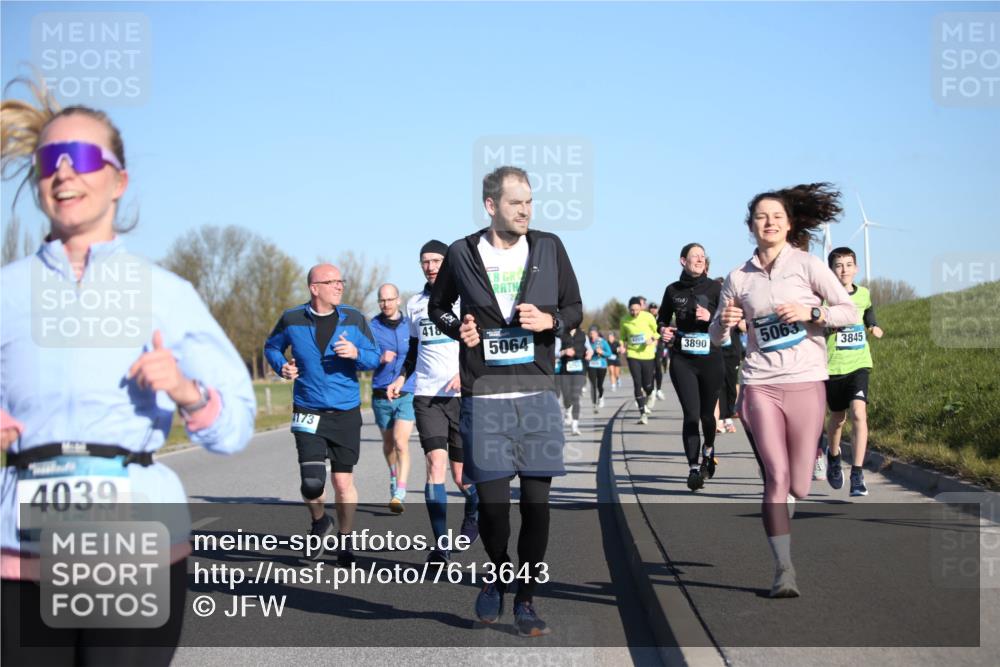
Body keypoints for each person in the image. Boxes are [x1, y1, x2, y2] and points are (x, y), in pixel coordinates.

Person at [0, 87, 256, 665]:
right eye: (48, 161)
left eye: (82, 158)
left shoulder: (166, 294)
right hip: (19, 551)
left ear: (118, 181)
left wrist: (187, 392)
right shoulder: (7, 291)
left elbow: (236, 426)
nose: (64, 173)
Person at [428, 165, 582, 637]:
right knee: (494, 510)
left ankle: (527, 599)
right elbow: (439, 307)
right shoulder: (461, 253)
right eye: (517, 202)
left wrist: (550, 322)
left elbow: (575, 308)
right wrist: (460, 327)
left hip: (536, 396)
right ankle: (497, 575)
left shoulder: (550, 247)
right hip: (485, 399)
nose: (526, 210)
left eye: (530, 202)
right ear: (491, 205)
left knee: (537, 506)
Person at [710, 183, 857, 598]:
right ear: (751, 226)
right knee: (775, 478)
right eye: (761, 217)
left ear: (789, 224)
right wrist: (725, 321)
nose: (769, 222)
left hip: (807, 380)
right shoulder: (738, 277)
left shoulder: (808, 265)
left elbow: (847, 311)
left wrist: (813, 312)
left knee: (799, 487)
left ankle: (809, 465)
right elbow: (716, 337)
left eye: (777, 216)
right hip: (759, 384)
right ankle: (784, 570)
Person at [264, 263, 380, 567]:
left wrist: (356, 354)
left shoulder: (353, 318)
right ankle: (319, 521)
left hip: (345, 412)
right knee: (312, 483)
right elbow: (272, 347)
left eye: (341, 281)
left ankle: (345, 540)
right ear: (315, 288)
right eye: (332, 282)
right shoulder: (292, 319)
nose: (339, 286)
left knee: (343, 483)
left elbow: (374, 356)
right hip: (307, 409)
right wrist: (282, 367)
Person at [386, 240, 479, 564]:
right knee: (434, 466)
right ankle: (441, 546)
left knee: (462, 476)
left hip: (460, 395)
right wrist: (401, 378)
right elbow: (413, 350)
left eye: (436, 260)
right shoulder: (414, 305)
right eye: (424, 261)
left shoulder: (466, 299)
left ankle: (474, 513)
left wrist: (462, 373)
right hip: (427, 396)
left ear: (448, 263)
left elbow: (478, 346)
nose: (430, 266)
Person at [657, 243, 725, 491]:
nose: (699, 259)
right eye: (694, 256)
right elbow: (662, 318)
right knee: (691, 415)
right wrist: (663, 330)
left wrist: (711, 317)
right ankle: (693, 469)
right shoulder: (672, 290)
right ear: (682, 261)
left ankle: (709, 448)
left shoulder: (717, 287)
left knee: (708, 416)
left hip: (711, 358)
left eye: (702, 256)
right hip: (682, 358)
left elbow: (729, 317)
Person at [822, 246, 884, 496]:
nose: (844, 269)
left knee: (859, 413)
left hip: (859, 363)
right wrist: (829, 328)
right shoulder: (824, 298)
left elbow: (868, 312)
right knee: (837, 419)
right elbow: (815, 325)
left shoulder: (864, 294)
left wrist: (873, 326)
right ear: (831, 270)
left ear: (856, 268)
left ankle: (857, 473)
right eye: (838, 265)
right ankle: (834, 456)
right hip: (833, 366)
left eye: (848, 264)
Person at [369, 283, 415, 513]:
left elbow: (419, 355)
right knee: (388, 444)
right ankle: (393, 475)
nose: (386, 304)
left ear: (398, 300)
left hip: (406, 391)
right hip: (380, 393)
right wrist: (379, 359)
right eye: (382, 300)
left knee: (400, 441)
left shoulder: (411, 325)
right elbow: (361, 358)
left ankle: (400, 491)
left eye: (390, 299)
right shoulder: (372, 327)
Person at [620, 296, 659, 424]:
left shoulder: (648, 317)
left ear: (641, 308)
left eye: (637, 310)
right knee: (637, 383)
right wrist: (621, 345)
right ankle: (642, 414)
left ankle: (650, 392)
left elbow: (658, 331)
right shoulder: (624, 320)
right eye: (632, 310)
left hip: (647, 355)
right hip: (633, 354)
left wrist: (652, 339)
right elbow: (622, 337)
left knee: (647, 385)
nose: (634, 313)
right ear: (628, 309)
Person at [557, 326, 588, 435]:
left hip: (579, 369)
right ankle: (568, 409)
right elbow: (555, 352)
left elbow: (589, 349)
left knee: (575, 396)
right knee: (566, 397)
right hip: (565, 370)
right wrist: (564, 352)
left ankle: (575, 426)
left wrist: (589, 353)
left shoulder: (583, 335)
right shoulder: (560, 334)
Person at [586, 326, 612, 412]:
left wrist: (602, 352)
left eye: (593, 333)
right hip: (591, 365)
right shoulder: (587, 342)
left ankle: (600, 396)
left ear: (597, 334)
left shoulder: (603, 342)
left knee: (599, 385)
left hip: (601, 365)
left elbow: (609, 353)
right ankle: (594, 404)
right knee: (593, 384)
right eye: (590, 334)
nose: (591, 335)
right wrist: (586, 354)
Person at [648, 303, 667, 401]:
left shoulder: (660, 318)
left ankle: (659, 389)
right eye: (651, 308)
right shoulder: (646, 318)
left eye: (655, 308)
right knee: (650, 369)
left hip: (659, 345)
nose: (653, 310)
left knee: (658, 367)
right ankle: (652, 389)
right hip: (649, 345)